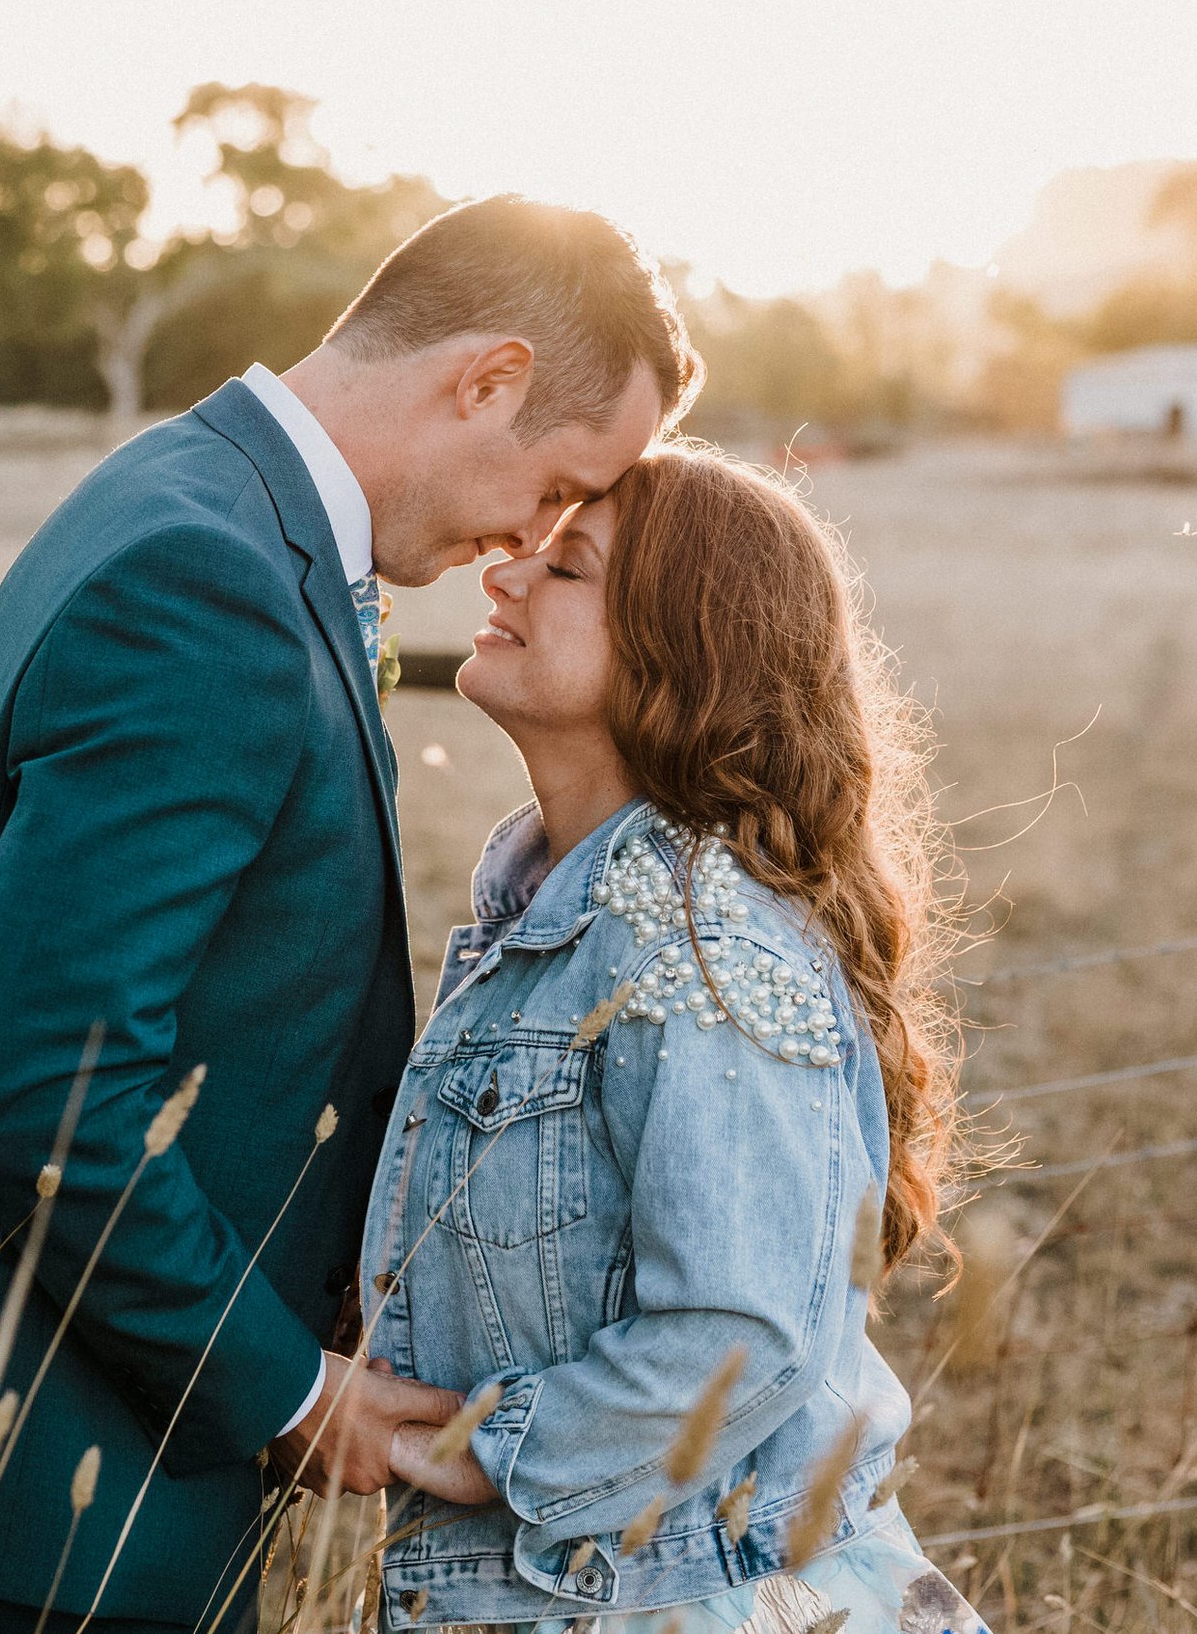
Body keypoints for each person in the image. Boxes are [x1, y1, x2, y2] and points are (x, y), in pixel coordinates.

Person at [0, 195, 703, 1634]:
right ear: (488, 378)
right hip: (77, 1470)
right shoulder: (212, 582)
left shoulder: (194, 494)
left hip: (99, 1441)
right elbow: (56, 1093)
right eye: (561, 481)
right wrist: (283, 1385)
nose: (536, 533)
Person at [360, 445, 991, 1632]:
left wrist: (469, 1448)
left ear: (676, 650)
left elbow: (742, 1329)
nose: (504, 579)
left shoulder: (695, 940)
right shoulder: (566, 916)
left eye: (568, 566)